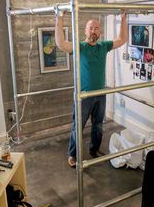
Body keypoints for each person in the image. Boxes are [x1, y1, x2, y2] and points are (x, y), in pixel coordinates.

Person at [55, 11, 128, 167]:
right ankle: (72, 154)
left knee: (98, 125)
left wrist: (123, 19)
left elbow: (122, 39)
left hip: (100, 94)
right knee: (78, 127)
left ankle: (94, 150)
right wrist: (59, 18)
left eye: (96, 28)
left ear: (99, 31)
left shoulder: (103, 46)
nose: (93, 31)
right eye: (90, 28)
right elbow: (61, 44)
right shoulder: (80, 46)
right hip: (84, 95)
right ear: (85, 31)